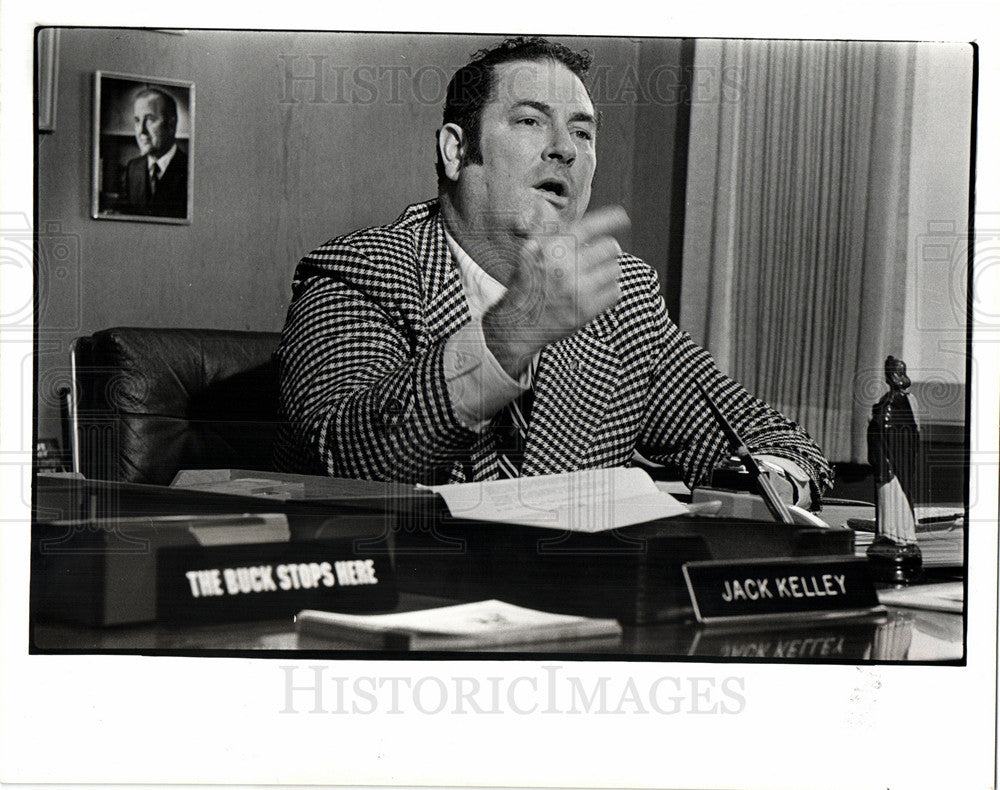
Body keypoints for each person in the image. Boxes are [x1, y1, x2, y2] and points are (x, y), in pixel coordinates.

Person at [275, 37, 833, 508]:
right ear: (455, 150)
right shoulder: (361, 272)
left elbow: (773, 440)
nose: (565, 149)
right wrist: (512, 332)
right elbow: (342, 462)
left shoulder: (622, 295)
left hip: (576, 604)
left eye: (583, 133)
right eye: (529, 121)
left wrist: (768, 484)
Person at [118, 87, 188, 218]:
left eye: (150, 119)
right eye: (137, 120)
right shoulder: (133, 168)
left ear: (171, 125)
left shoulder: (189, 170)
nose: (141, 131)